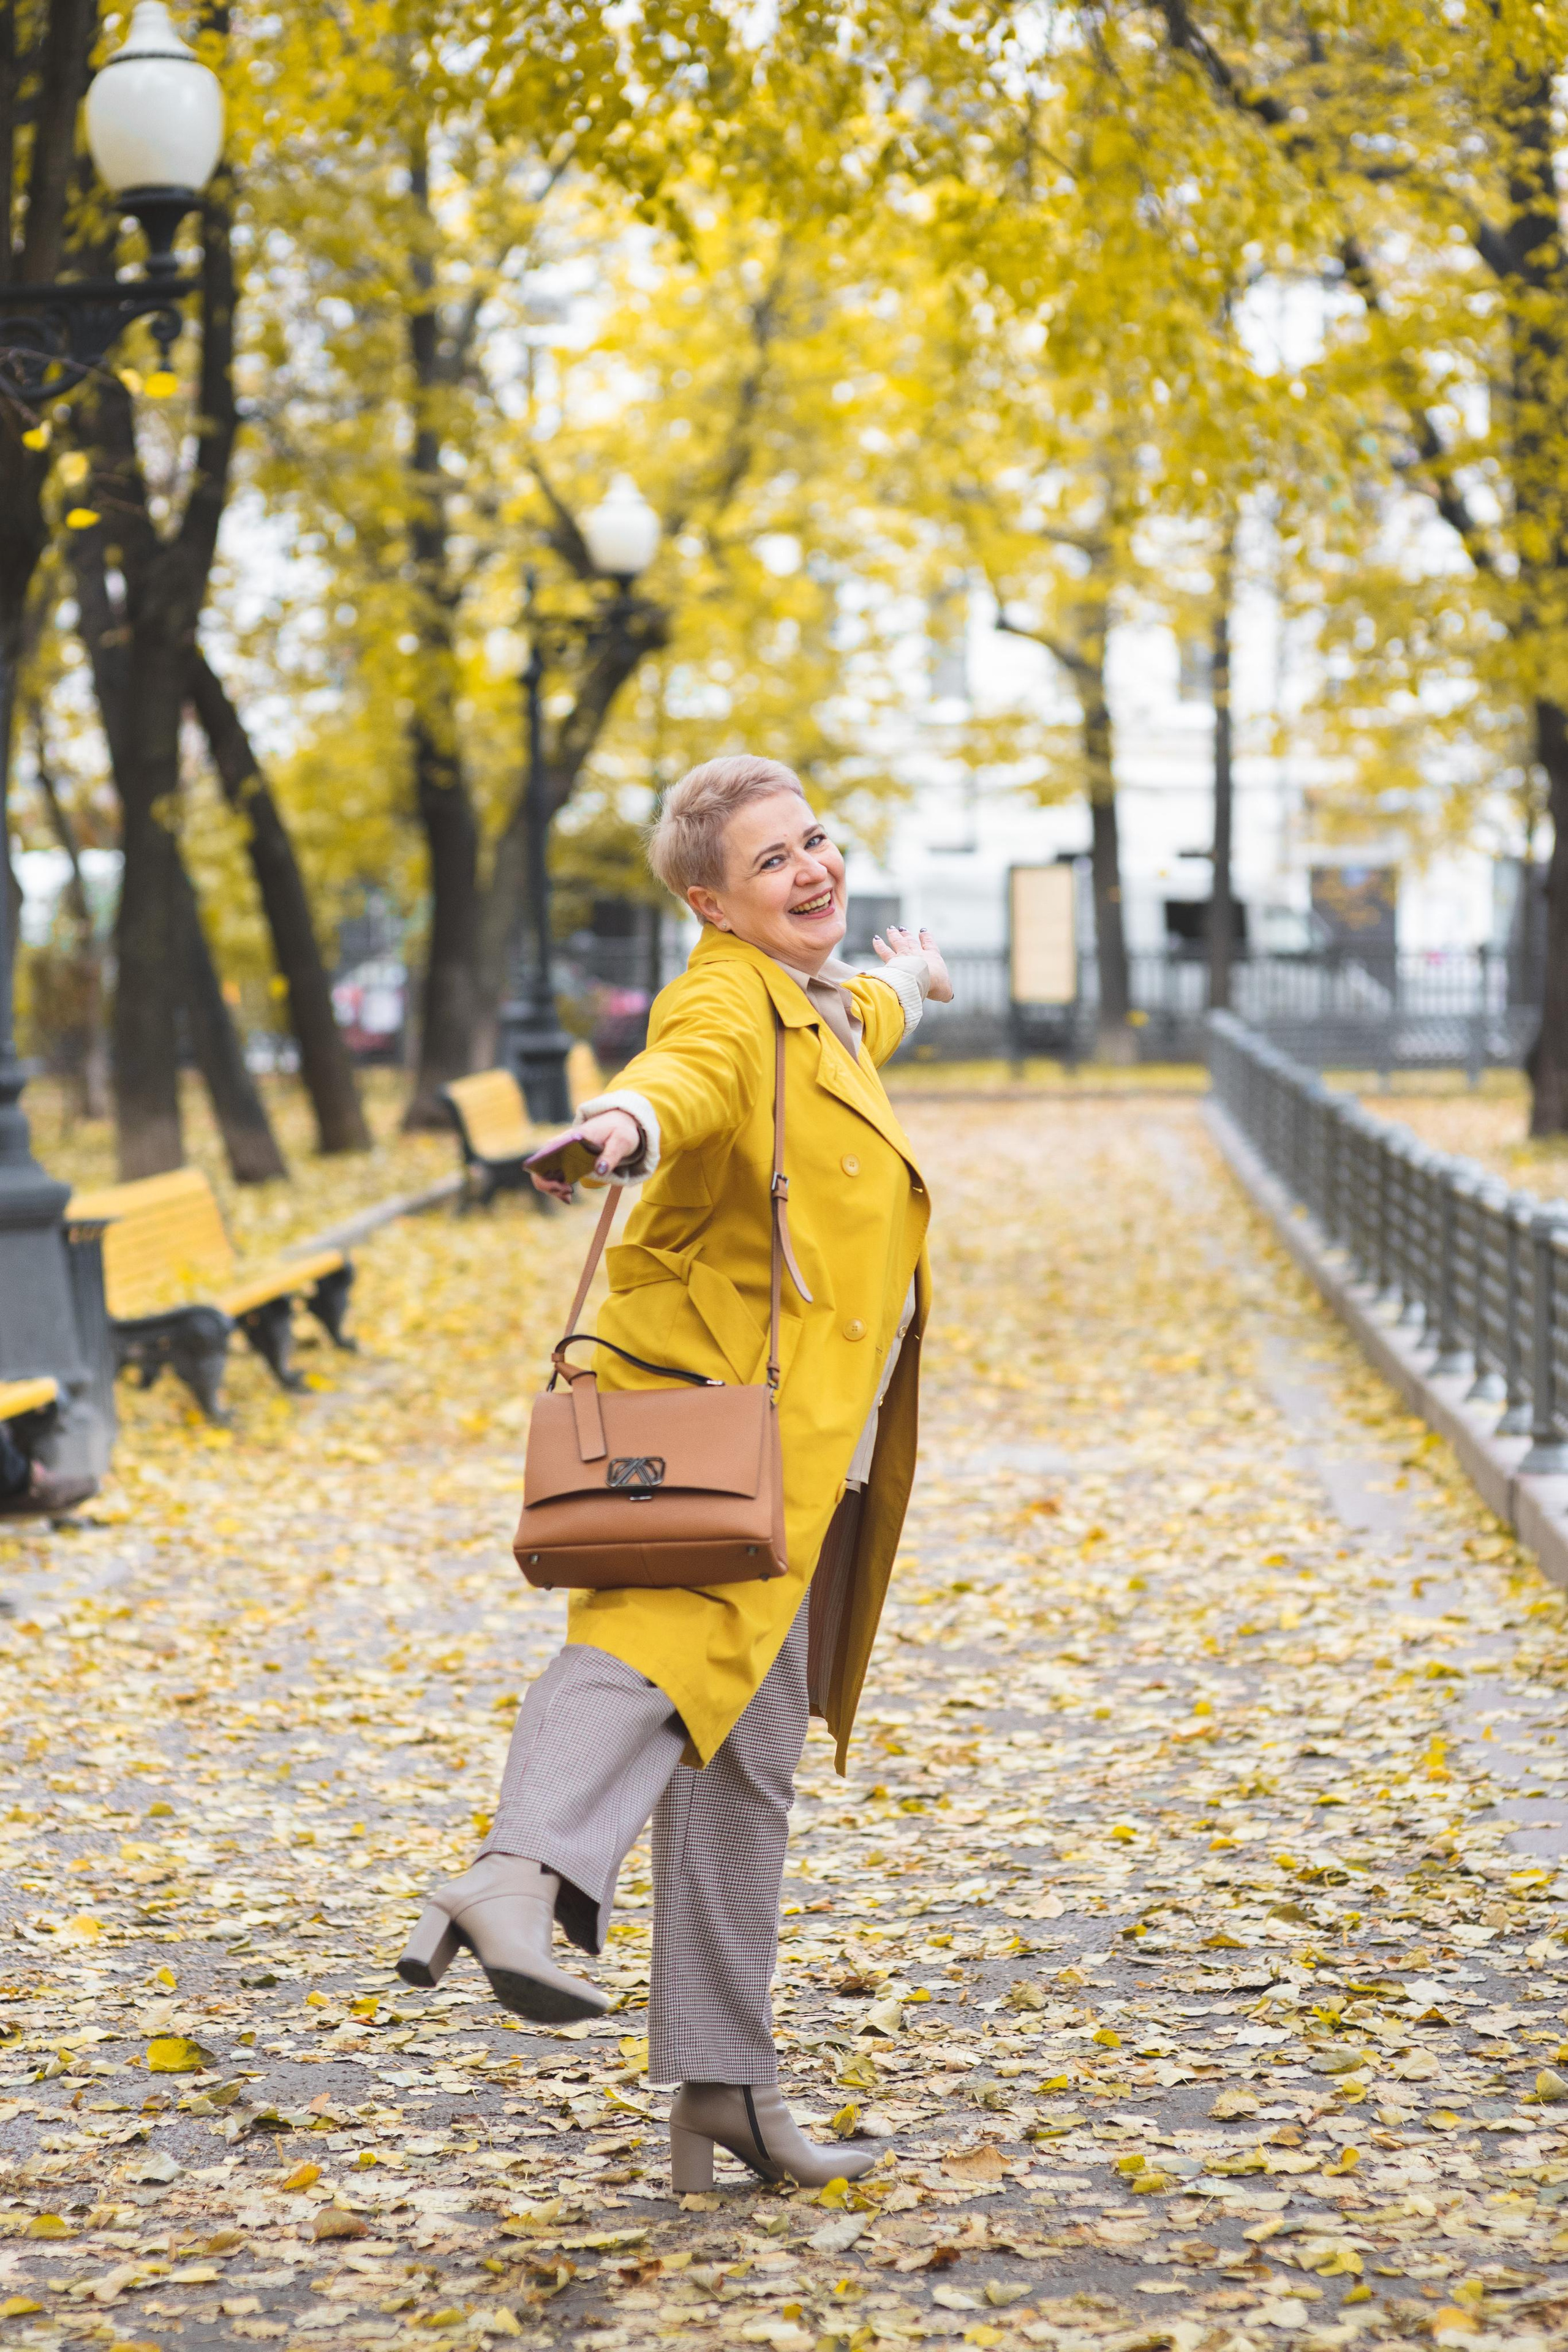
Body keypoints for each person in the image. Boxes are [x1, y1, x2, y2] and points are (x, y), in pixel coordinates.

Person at [399, 754, 950, 2191]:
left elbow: (859, 1017)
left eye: (814, 840)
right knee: (645, 1647)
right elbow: (684, 1075)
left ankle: (726, 2089)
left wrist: (918, 976)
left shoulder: (816, 1003)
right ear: (710, 902)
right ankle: (516, 1876)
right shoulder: (722, 993)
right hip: (705, 1430)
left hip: (792, 1446)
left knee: (741, 1765)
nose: (809, 871)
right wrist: (617, 1130)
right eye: (770, 863)